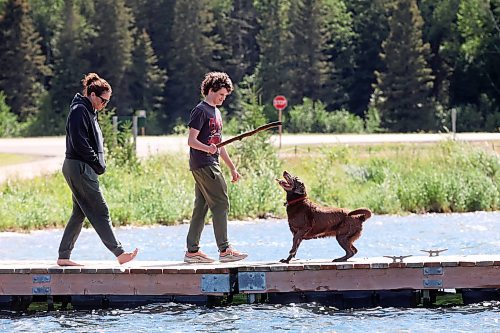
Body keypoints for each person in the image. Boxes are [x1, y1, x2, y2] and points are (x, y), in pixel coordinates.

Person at [56, 73, 138, 266]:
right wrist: (97, 163)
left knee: (79, 212)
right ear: (92, 94)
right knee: (100, 210)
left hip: (81, 167)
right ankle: (119, 253)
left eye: (107, 101)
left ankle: (63, 256)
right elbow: (80, 143)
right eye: (103, 100)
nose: (104, 104)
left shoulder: (89, 111)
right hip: (79, 167)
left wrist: (96, 163)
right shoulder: (79, 110)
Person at [184, 72, 248, 263]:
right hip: (204, 164)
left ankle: (192, 251)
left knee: (201, 207)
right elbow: (191, 141)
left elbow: (219, 145)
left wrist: (232, 168)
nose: (223, 98)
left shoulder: (216, 112)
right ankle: (225, 250)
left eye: (225, 96)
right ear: (211, 90)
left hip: (211, 162)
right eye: (221, 95)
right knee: (221, 203)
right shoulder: (201, 111)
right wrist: (208, 149)